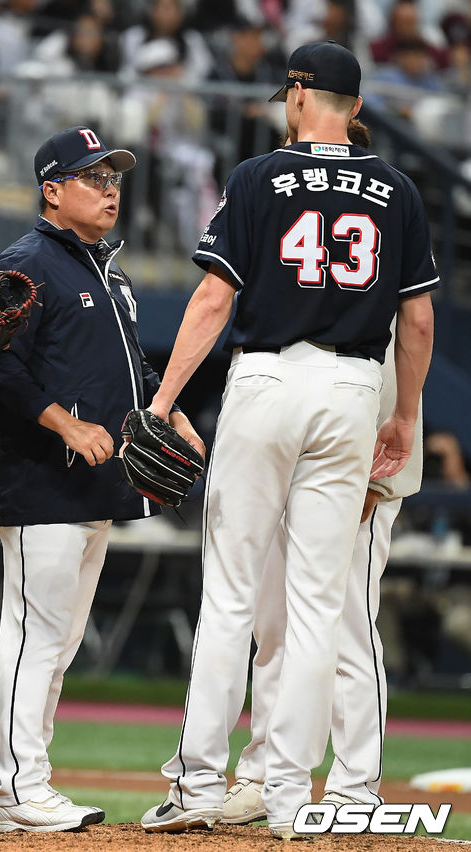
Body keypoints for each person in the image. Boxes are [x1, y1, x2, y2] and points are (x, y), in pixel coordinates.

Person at [140, 40, 437, 839]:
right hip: (353, 392)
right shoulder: (398, 189)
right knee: (316, 607)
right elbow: (417, 320)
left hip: (268, 381)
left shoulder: (257, 176)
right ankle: (288, 798)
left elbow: (212, 299)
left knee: (231, 596)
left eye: (289, 95)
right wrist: (405, 414)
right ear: (358, 107)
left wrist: (163, 400)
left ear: (300, 96)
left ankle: (198, 786)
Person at [0, 125, 204, 834]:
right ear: (52, 191)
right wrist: (66, 425)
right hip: (42, 479)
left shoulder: (109, 271)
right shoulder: (25, 265)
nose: (110, 190)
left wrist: (170, 411)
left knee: (59, 645)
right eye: (93, 178)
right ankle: (16, 791)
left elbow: (131, 361)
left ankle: (28, 785)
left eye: (114, 178)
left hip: (96, 486)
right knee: (35, 640)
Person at [222, 316, 424, 823]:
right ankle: (263, 774)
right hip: (284, 459)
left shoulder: (380, 279)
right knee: (274, 629)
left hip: (358, 463)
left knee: (349, 631)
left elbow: (406, 348)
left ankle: (355, 785)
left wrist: (379, 481)